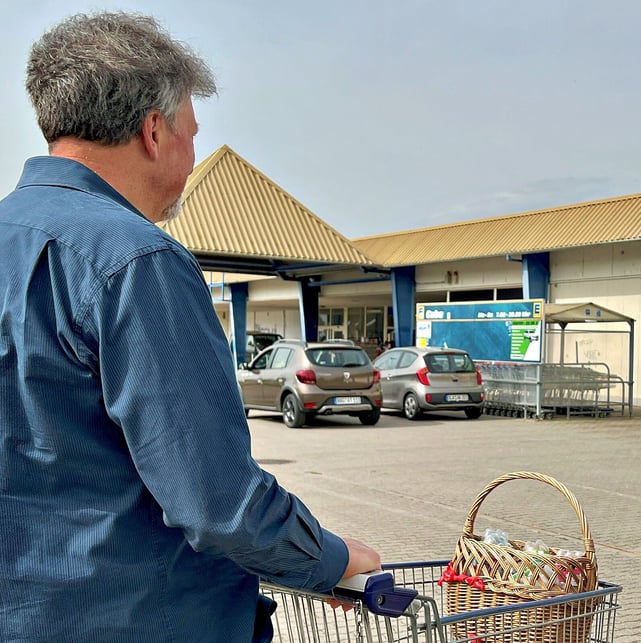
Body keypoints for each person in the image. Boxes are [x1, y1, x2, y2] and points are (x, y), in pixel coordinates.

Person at [0, 12, 381, 642]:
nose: (191, 156)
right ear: (154, 131)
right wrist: (331, 561)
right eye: (191, 133)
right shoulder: (136, 260)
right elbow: (217, 501)